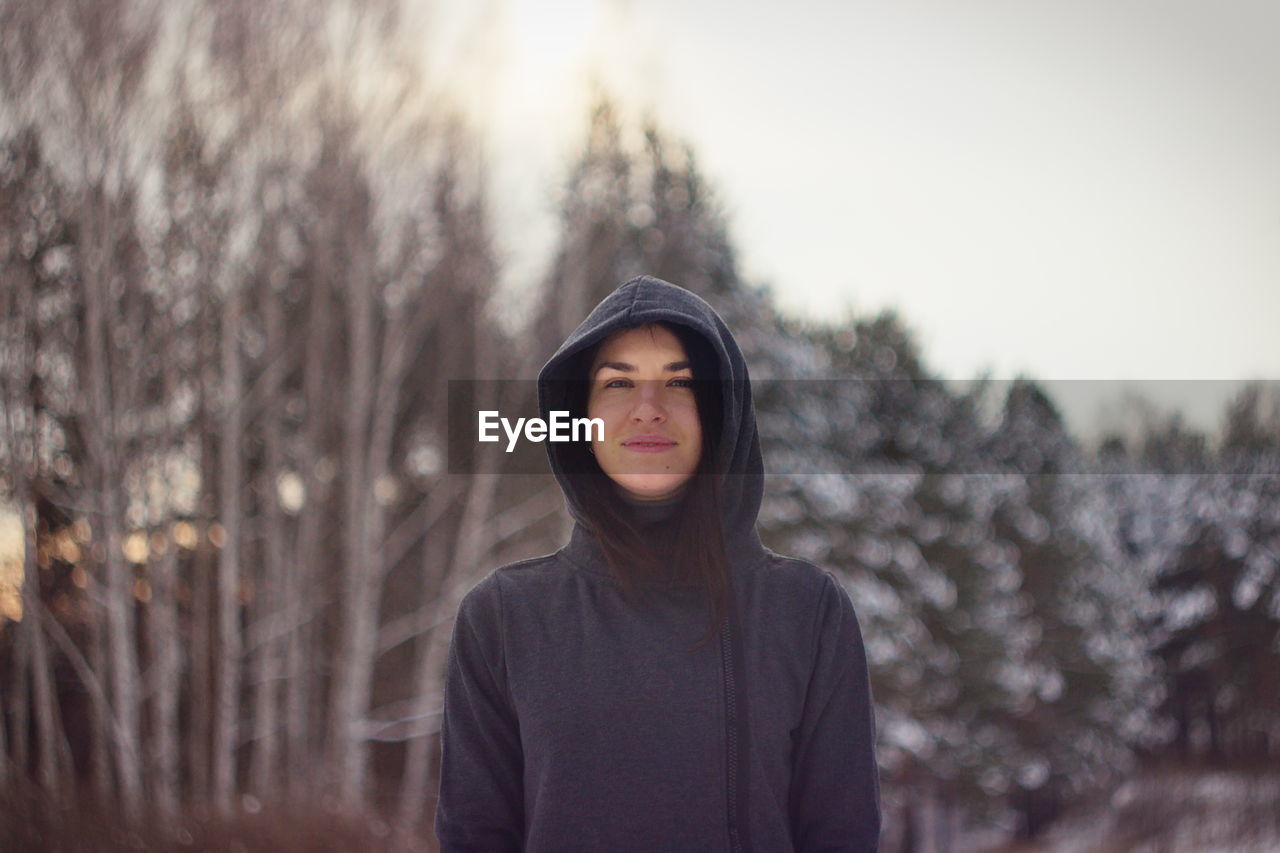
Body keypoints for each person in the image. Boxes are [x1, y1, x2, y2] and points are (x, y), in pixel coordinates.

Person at [435, 275, 881, 852]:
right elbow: (474, 838)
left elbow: (842, 836)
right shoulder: (503, 617)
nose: (648, 410)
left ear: (723, 410)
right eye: (618, 383)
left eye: (681, 382)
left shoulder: (807, 610)